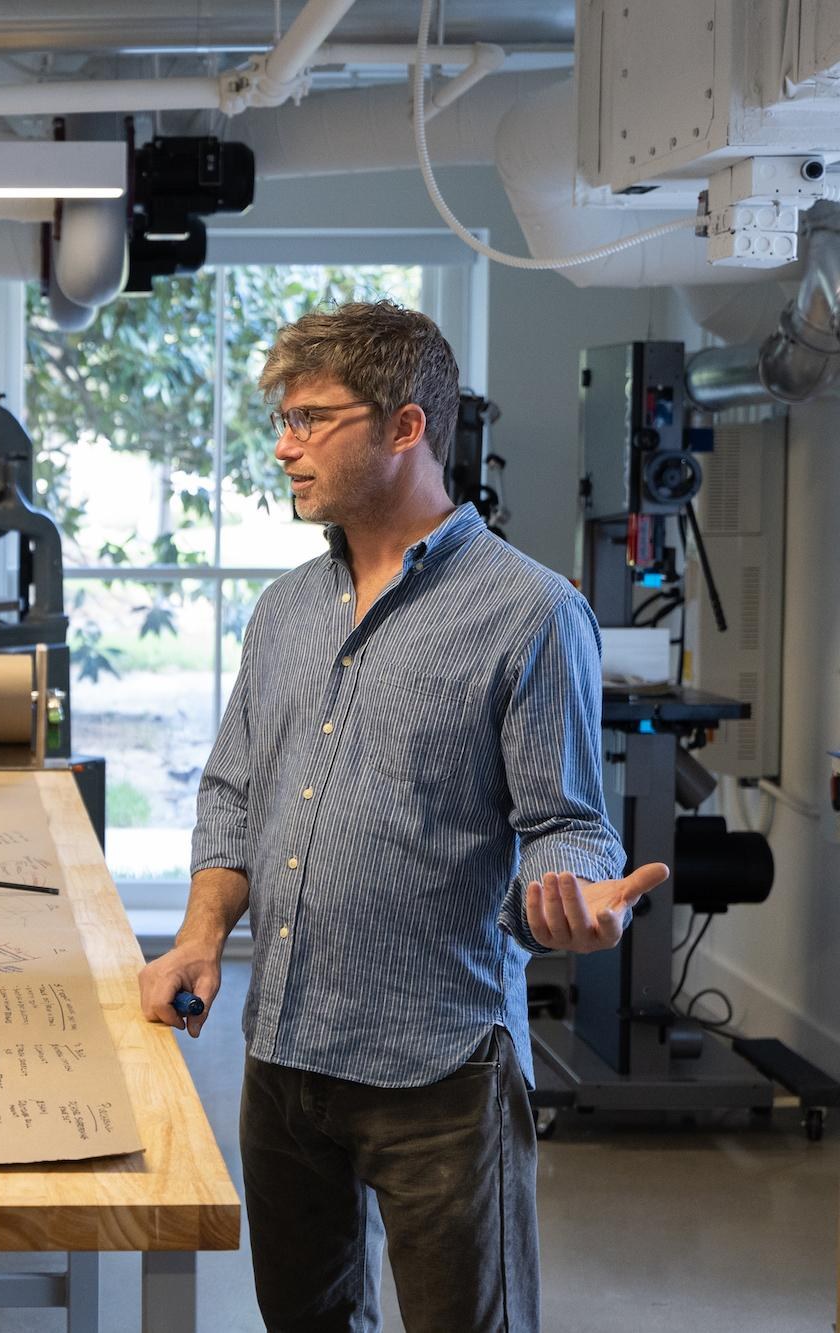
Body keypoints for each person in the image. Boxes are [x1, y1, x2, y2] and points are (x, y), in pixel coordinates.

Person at [137, 301, 665, 1331]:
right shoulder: (286, 607)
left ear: (406, 425)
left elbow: (563, 819)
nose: (283, 447)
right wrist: (197, 937)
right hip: (281, 1056)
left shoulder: (529, 611)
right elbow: (233, 791)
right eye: (279, 421)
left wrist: (583, 900)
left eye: (309, 419)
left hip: (438, 1075)